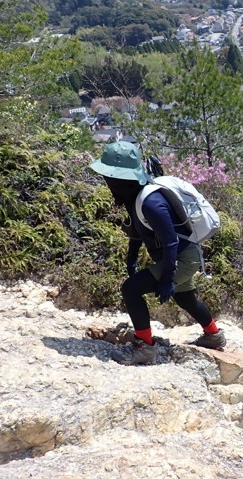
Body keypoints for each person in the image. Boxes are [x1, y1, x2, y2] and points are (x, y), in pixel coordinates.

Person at [89, 141, 225, 365]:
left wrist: (167, 278)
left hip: (182, 258)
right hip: (180, 256)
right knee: (184, 297)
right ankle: (214, 335)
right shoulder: (133, 196)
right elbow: (137, 231)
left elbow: (171, 241)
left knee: (131, 290)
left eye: (110, 178)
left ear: (122, 179)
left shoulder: (151, 201)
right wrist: (131, 261)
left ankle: (144, 348)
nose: (107, 182)